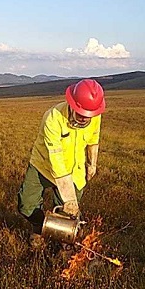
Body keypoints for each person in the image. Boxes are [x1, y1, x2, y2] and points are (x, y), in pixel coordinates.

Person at [18, 78, 105, 248]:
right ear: (72, 104)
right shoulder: (53, 117)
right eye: (80, 114)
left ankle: (64, 244)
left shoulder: (94, 115)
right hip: (43, 166)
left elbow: (93, 139)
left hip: (74, 169)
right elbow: (56, 159)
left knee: (68, 214)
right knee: (26, 205)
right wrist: (70, 198)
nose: (84, 119)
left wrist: (91, 164)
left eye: (88, 116)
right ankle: (39, 227)